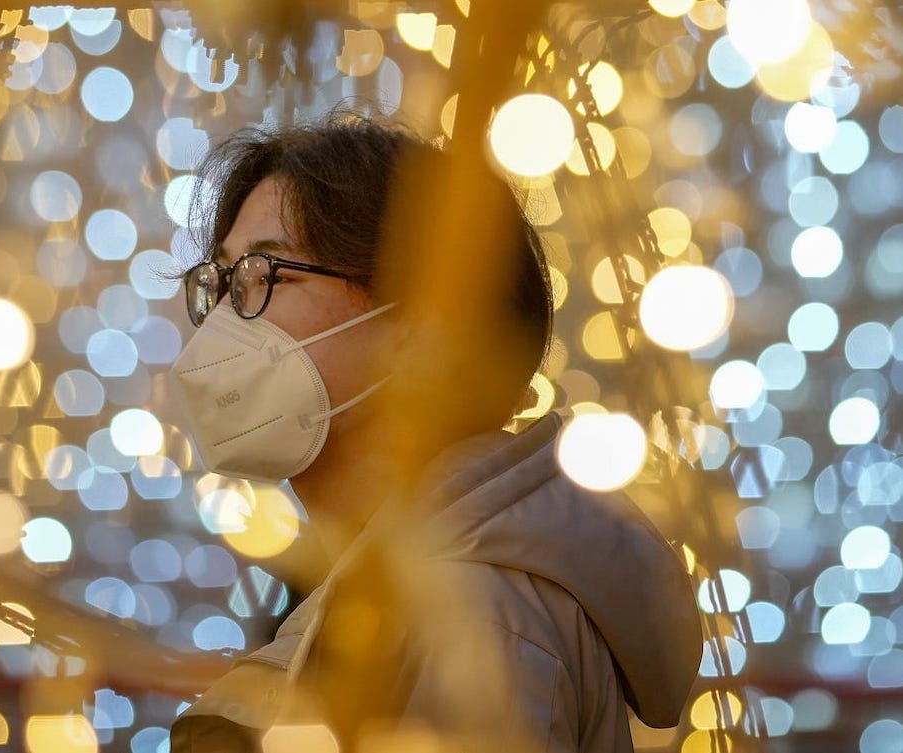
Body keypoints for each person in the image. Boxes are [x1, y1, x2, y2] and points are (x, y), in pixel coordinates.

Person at [165, 111, 701, 751]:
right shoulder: (392, 583)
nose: (225, 318)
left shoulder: (473, 610)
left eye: (263, 274)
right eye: (222, 281)